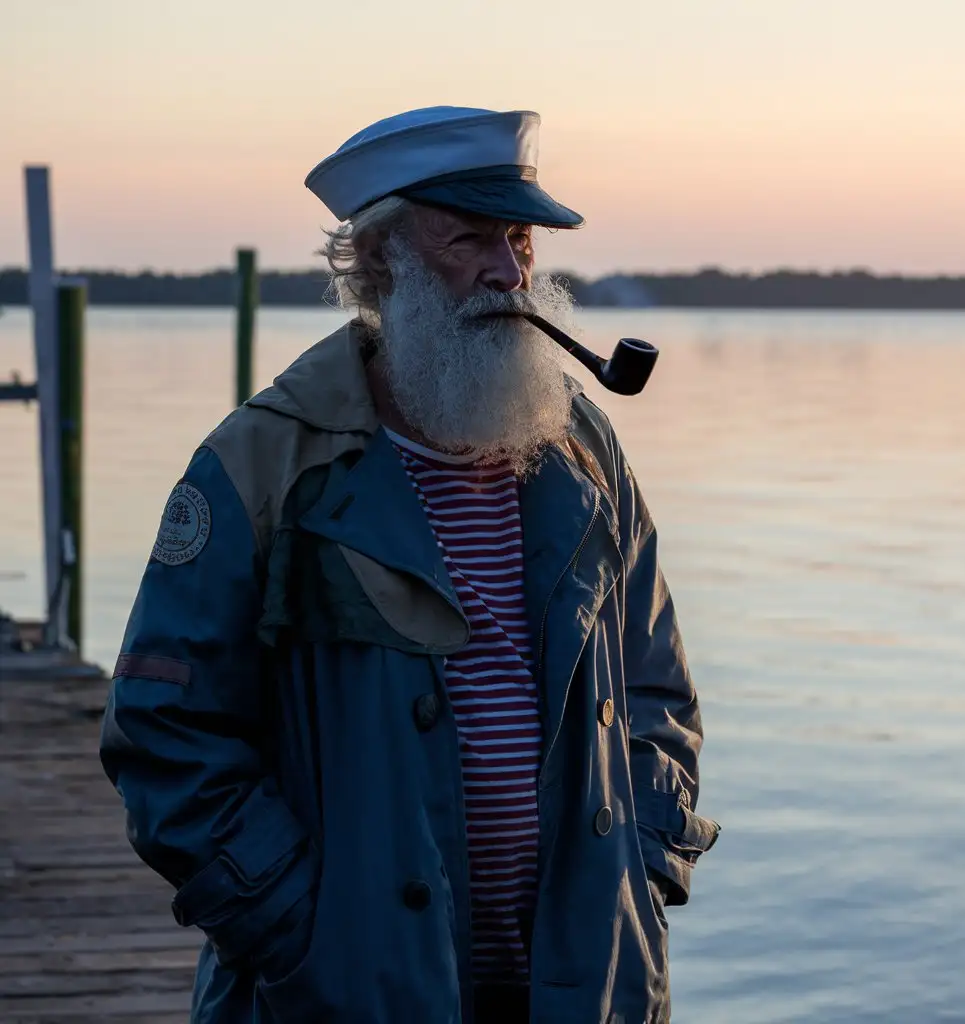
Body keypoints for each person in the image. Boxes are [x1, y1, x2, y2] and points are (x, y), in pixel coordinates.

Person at [99, 106, 719, 1024]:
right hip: (348, 990)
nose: (507, 271)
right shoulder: (262, 465)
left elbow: (658, 692)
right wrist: (297, 930)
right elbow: (165, 734)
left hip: (584, 987)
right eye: (468, 239)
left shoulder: (585, 454)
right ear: (380, 259)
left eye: (519, 239)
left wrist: (644, 866)